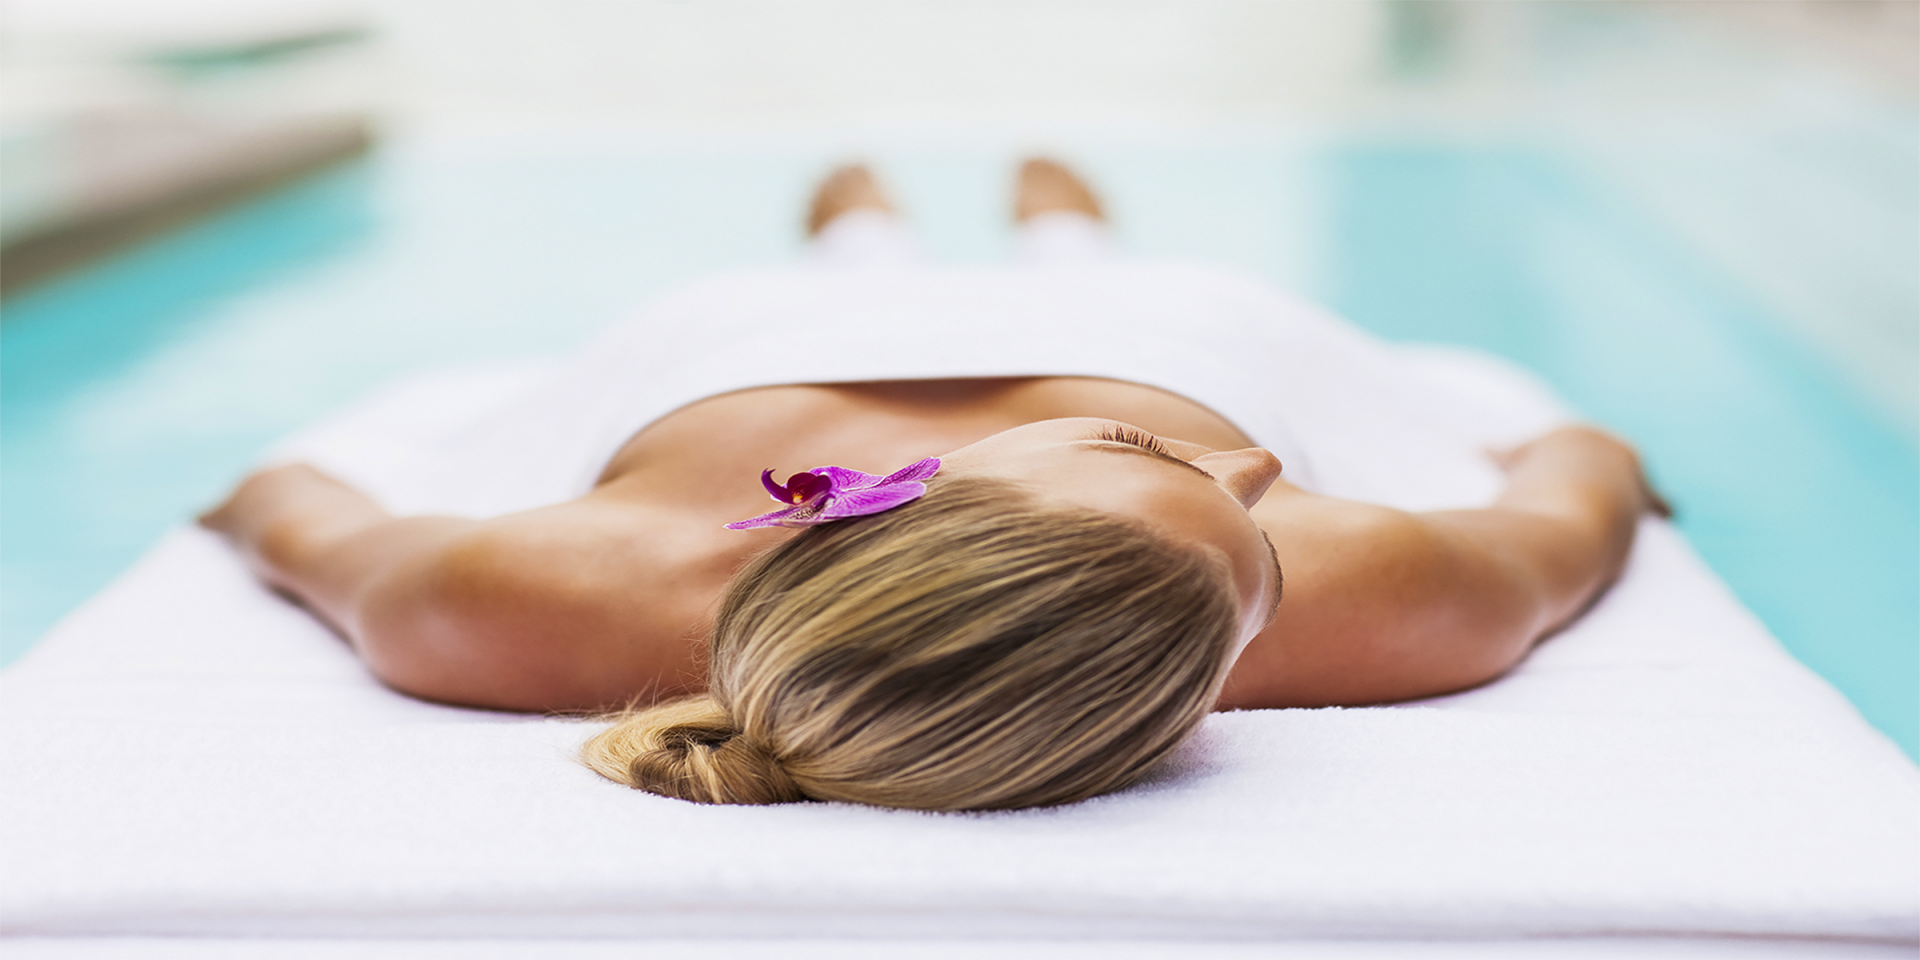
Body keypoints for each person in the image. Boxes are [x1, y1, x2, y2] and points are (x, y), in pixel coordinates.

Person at [200, 159, 1666, 812]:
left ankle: (862, 240)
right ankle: (1070, 235)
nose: (1257, 464)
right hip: (1162, 332)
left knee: (808, 281)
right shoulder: (1367, 602)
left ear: (897, 497)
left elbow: (292, 510)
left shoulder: (527, 601)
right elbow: (1578, 492)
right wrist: (1579, 452)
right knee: (1136, 279)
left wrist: (261, 502)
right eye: (1258, 537)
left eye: (1151, 453)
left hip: (746, 348)